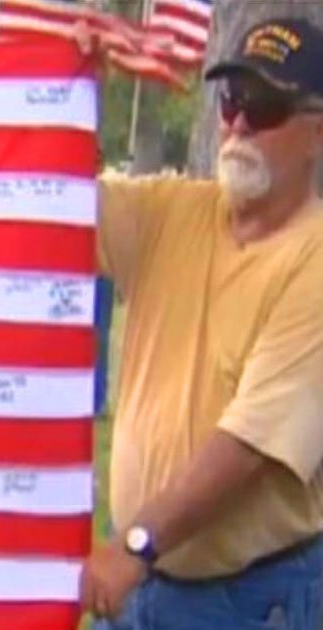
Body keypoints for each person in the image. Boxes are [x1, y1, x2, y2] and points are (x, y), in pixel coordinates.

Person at [76, 16, 323, 630]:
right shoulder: (173, 211)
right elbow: (52, 203)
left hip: (249, 599)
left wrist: (135, 545)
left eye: (263, 107)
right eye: (231, 100)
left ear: (317, 132)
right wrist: (72, 95)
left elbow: (246, 450)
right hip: (139, 586)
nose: (237, 124)